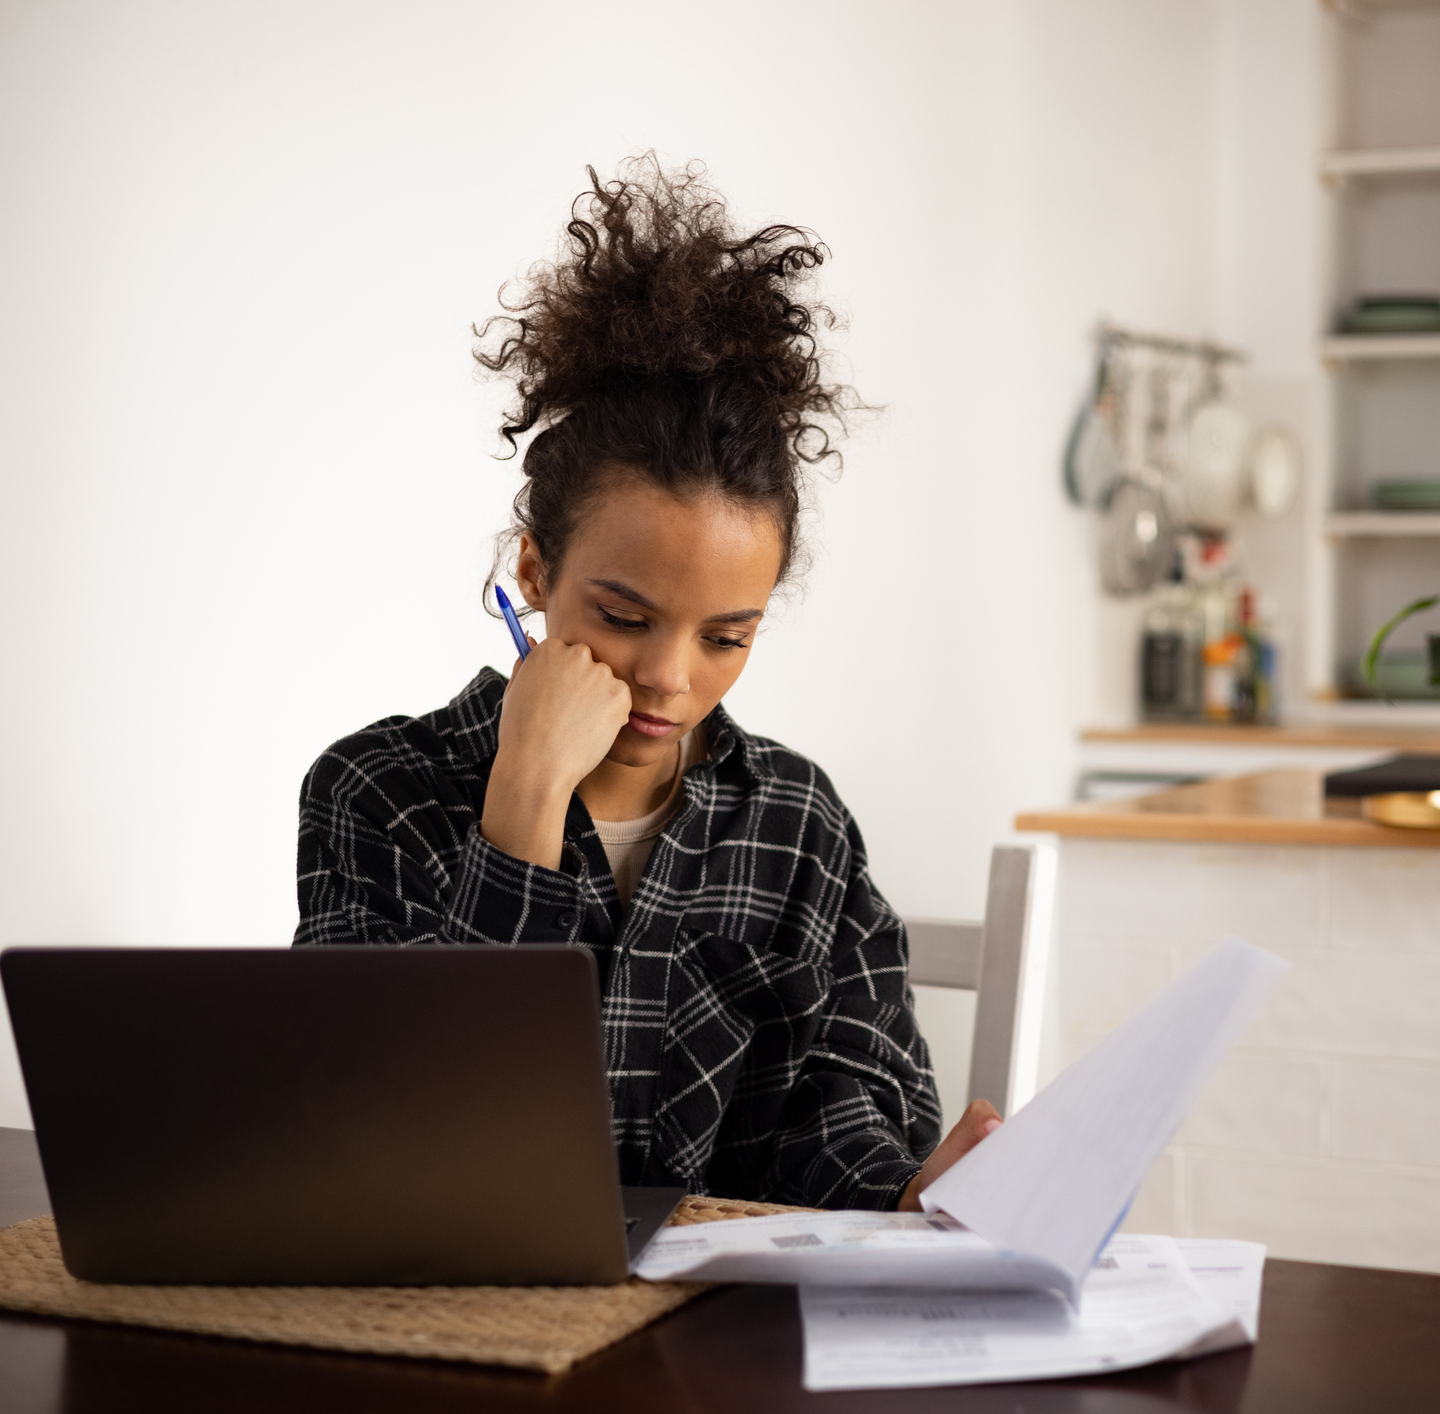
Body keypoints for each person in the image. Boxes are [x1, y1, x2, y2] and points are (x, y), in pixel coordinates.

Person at [293, 159, 996, 1211]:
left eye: (725, 636)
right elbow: (395, 1132)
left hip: (707, 1354)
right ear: (534, 571)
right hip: (445, 1331)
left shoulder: (795, 822)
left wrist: (903, 1192)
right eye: (624, 618)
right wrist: (524, 795)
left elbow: (832, 1112)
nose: (669, 678)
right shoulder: (377, 792)